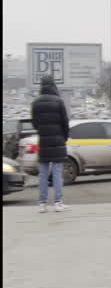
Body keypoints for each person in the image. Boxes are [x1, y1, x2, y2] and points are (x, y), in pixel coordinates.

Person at [30, 75, 70, 213]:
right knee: (57, 173)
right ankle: (58, 203)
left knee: (43, 173)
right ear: (53, 85)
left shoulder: (36, 103)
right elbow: (65, 122)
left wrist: (43, 131)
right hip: (58, 140)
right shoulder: (59, 101)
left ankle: (42, 204)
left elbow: (35, 123)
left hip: (44, 141)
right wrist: (64, 137)